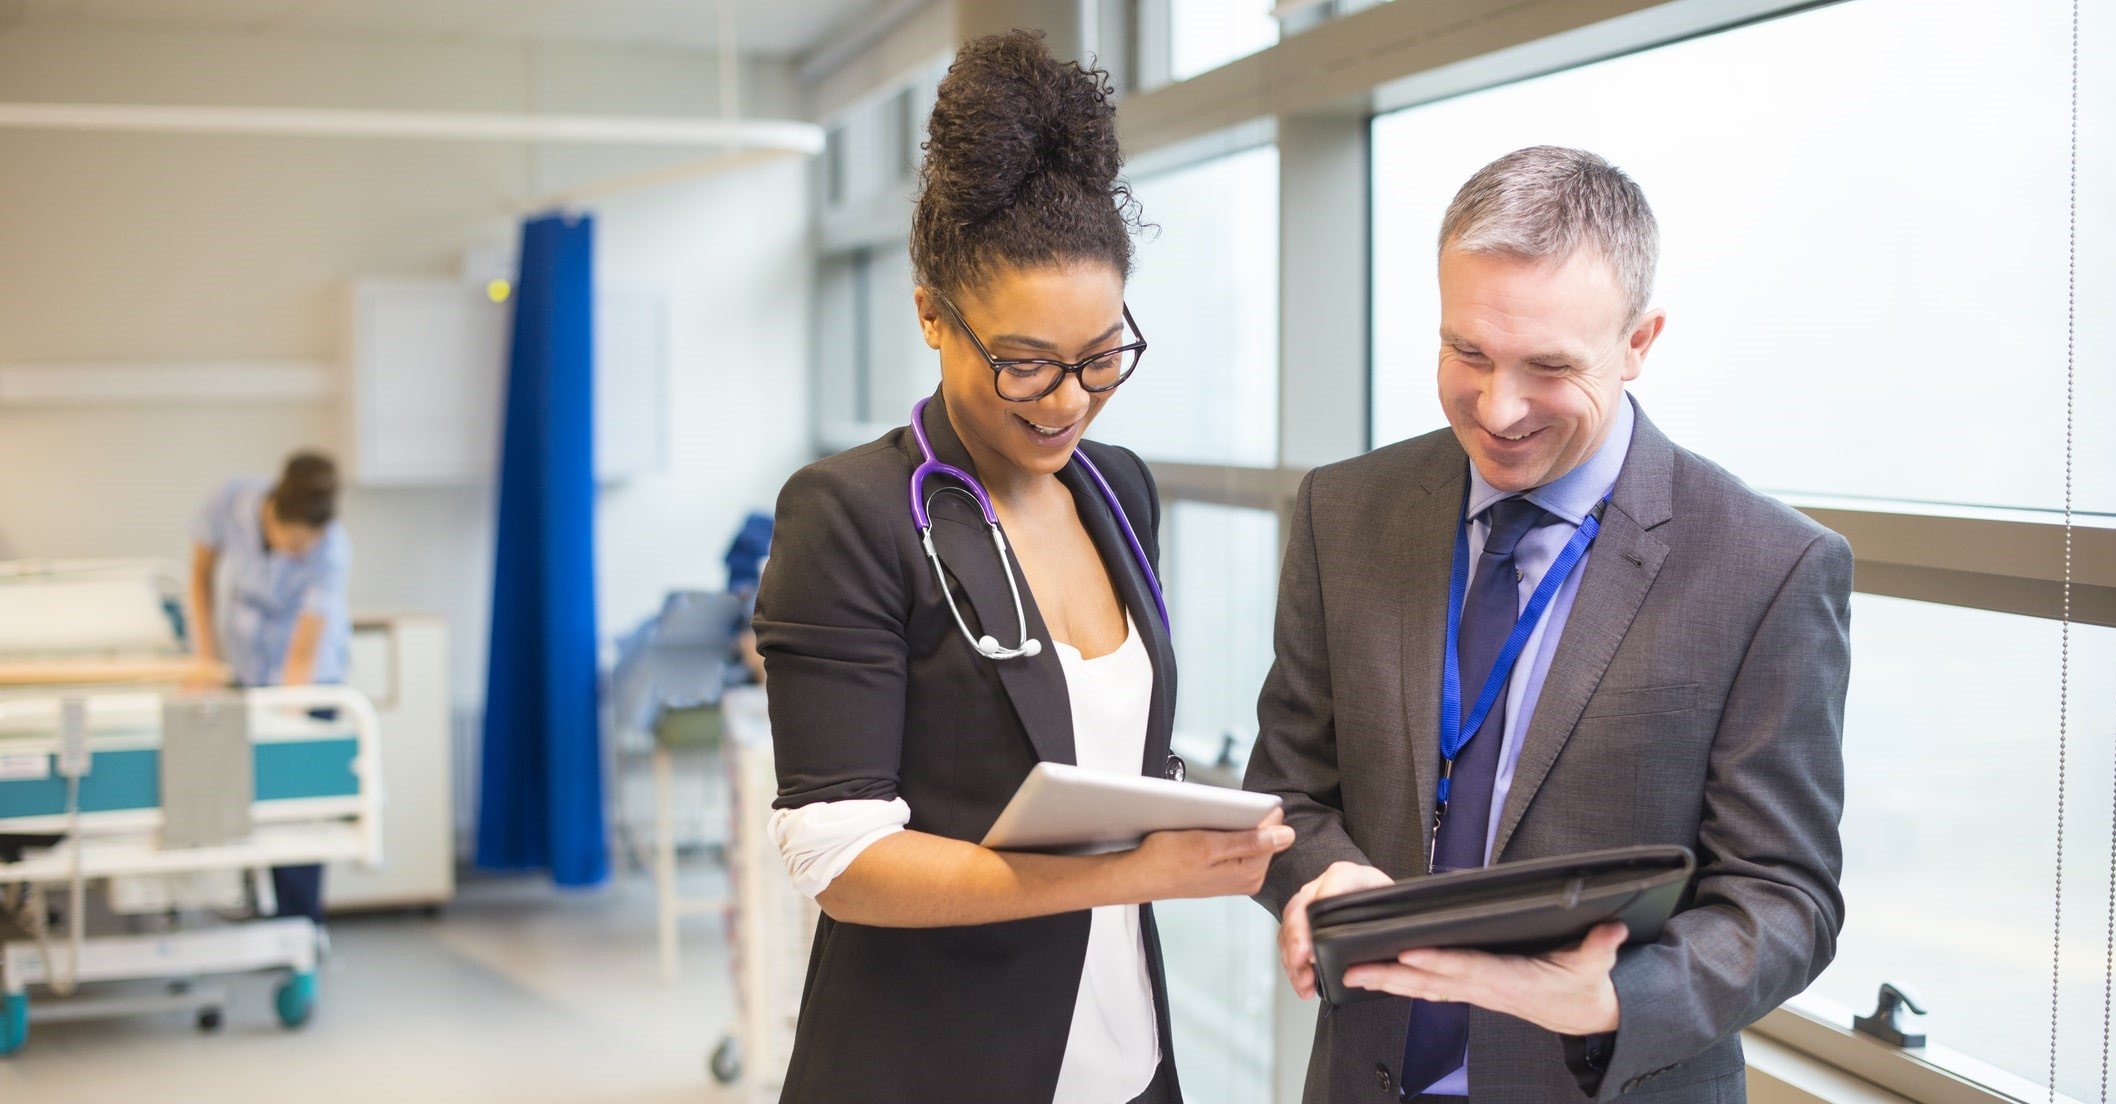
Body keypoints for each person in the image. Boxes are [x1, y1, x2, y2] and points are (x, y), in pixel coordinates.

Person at [1244, 146, 1851, 1102]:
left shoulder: (1766, 568)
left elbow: (1786, 898)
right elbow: (1287, 791)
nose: (1499, 408)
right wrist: (1325, 882)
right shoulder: (1345, 512)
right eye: (1468, 352)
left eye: (1550, 367)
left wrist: (1615, 995)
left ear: (1641, 341)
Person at [753, 30, 1292, 1104]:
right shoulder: (851, 516)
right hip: (938, 1064)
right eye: (1025, 364)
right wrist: (1141, 871)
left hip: (1124, 1055)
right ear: (929, 317)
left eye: (1100, 358)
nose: (1068, 404)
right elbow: (844, 865)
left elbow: (1102, 751)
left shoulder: (1118, 490)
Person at [189, 450, 352, 929]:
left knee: (296, 807)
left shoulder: (332, 550)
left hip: (308, 681)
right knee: (243, 799)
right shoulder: (233, 501)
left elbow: (302, 654)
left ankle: (299, 929)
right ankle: (256, 913)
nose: (301, 553)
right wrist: (204, 658)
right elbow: (199, 578)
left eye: (309, 546)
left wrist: (287, 716)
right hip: (244, 668)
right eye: (294, 544)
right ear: (274, 516)